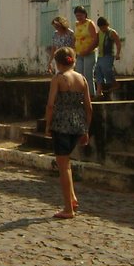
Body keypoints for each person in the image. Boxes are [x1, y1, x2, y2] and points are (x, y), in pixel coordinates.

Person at [44, 46, 93, 219]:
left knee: (63, 166)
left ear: (57, 63)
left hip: (61, 124)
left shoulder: (59, 78)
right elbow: (89, 107)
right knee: (67, 163)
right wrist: (86, 129)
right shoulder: (82, 79)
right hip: (78, 124)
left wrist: (47, 125)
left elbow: (51, 105)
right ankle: (72, 197)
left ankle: (67, 209)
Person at [72, 5, 98, 98]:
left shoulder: (89, 23)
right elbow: (75, 38)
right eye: (77, 16)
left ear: (85, 14)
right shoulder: (77, 24)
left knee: (88, 74)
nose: (79, 18)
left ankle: (91, 94)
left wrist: (88, 50)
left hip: (89, 52)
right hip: (79, 53)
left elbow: (95, 39)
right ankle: (81, 94)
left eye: (80, 15)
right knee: (79, 74)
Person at [94, 16, 122, 99]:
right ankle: (99, 91)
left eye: (103, 26)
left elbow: (118, 43)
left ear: (107, 25)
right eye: (101, 27)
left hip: (108, 55)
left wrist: (118, 53)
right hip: (100, 55)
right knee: (98, 71)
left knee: (107, 69)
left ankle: (114, 84)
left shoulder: (112, 32)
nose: (102, 28)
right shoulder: (99, 33)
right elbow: (96, 43)